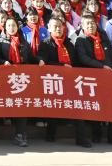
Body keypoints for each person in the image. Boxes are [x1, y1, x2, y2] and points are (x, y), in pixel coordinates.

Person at [74, 13, 112, 146]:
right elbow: (83, 58)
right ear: (82, 26)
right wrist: (101, 66)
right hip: (91, 79)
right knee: (94, 107)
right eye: (87, 24)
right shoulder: (80, 40)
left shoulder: (103, 39)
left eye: (92, 23)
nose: (91, 26)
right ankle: (96, 135)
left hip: (108, 77)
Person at [0, 16, 39, 147]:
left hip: (21, 79)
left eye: (13, 25)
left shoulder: (23, 42)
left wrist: (39, 60)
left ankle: (20, 134)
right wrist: (3, 62)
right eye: (9, 25)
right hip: (5, 78)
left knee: (21, 106)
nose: (11, 28)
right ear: (4, 28)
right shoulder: (0, 42)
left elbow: (31, 57)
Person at [38, 17, 82, 146]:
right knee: (54, 107)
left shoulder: (69, 43)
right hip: (53, 81)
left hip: (70, 80)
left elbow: (75, 61)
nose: (58, 29)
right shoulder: (45, 43)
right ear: (49, 28)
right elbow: (45, 62)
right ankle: (50, 134)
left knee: (76, 106)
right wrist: (61, 66)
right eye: (55, 26)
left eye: (60, 26)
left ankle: (81, 138)